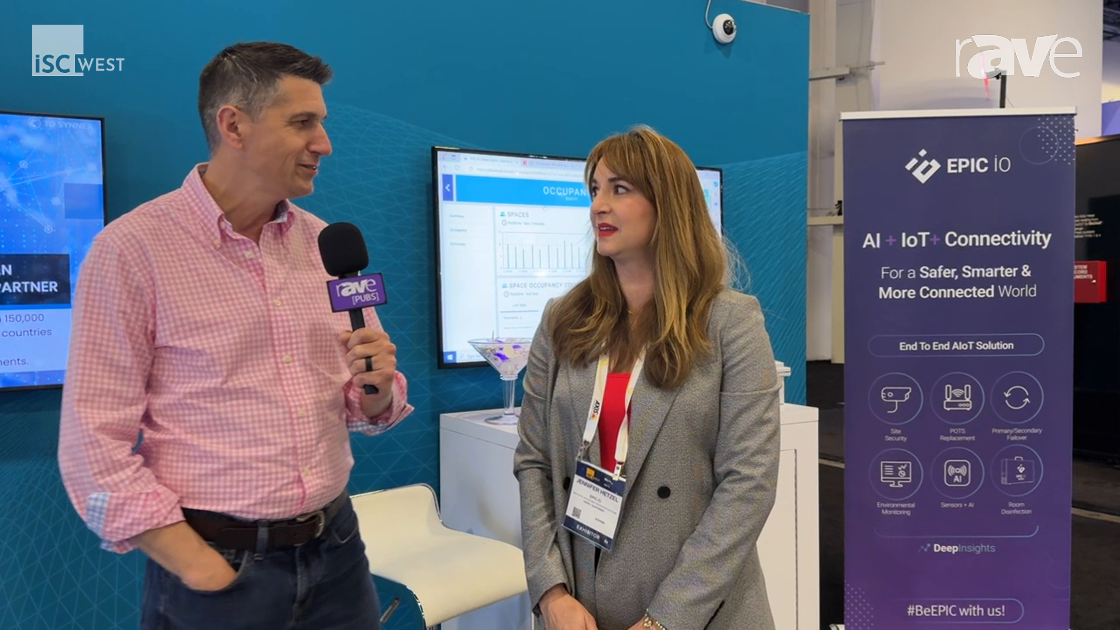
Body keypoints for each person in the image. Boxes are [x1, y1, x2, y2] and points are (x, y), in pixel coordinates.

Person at [57, 41, 414, 629]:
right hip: (219, 569)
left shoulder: (325, 244)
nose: (324, 144)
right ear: (234, 126)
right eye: (302, 122)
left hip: (337, 552)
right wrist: (199, 567)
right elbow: (92, 444)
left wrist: (376, 391)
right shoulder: (132, 251)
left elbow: (369, 404)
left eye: (322, 123)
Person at [513, 125, 782, 630]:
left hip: (696, 610)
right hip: (581, 604)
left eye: (620, 189)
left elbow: (749, 484)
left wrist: (666, 620)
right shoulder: (562, 319)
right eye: (595, 189)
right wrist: (551, 592)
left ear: (669, 204)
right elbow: (534, 462)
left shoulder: (730, 321)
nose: (599, 206)